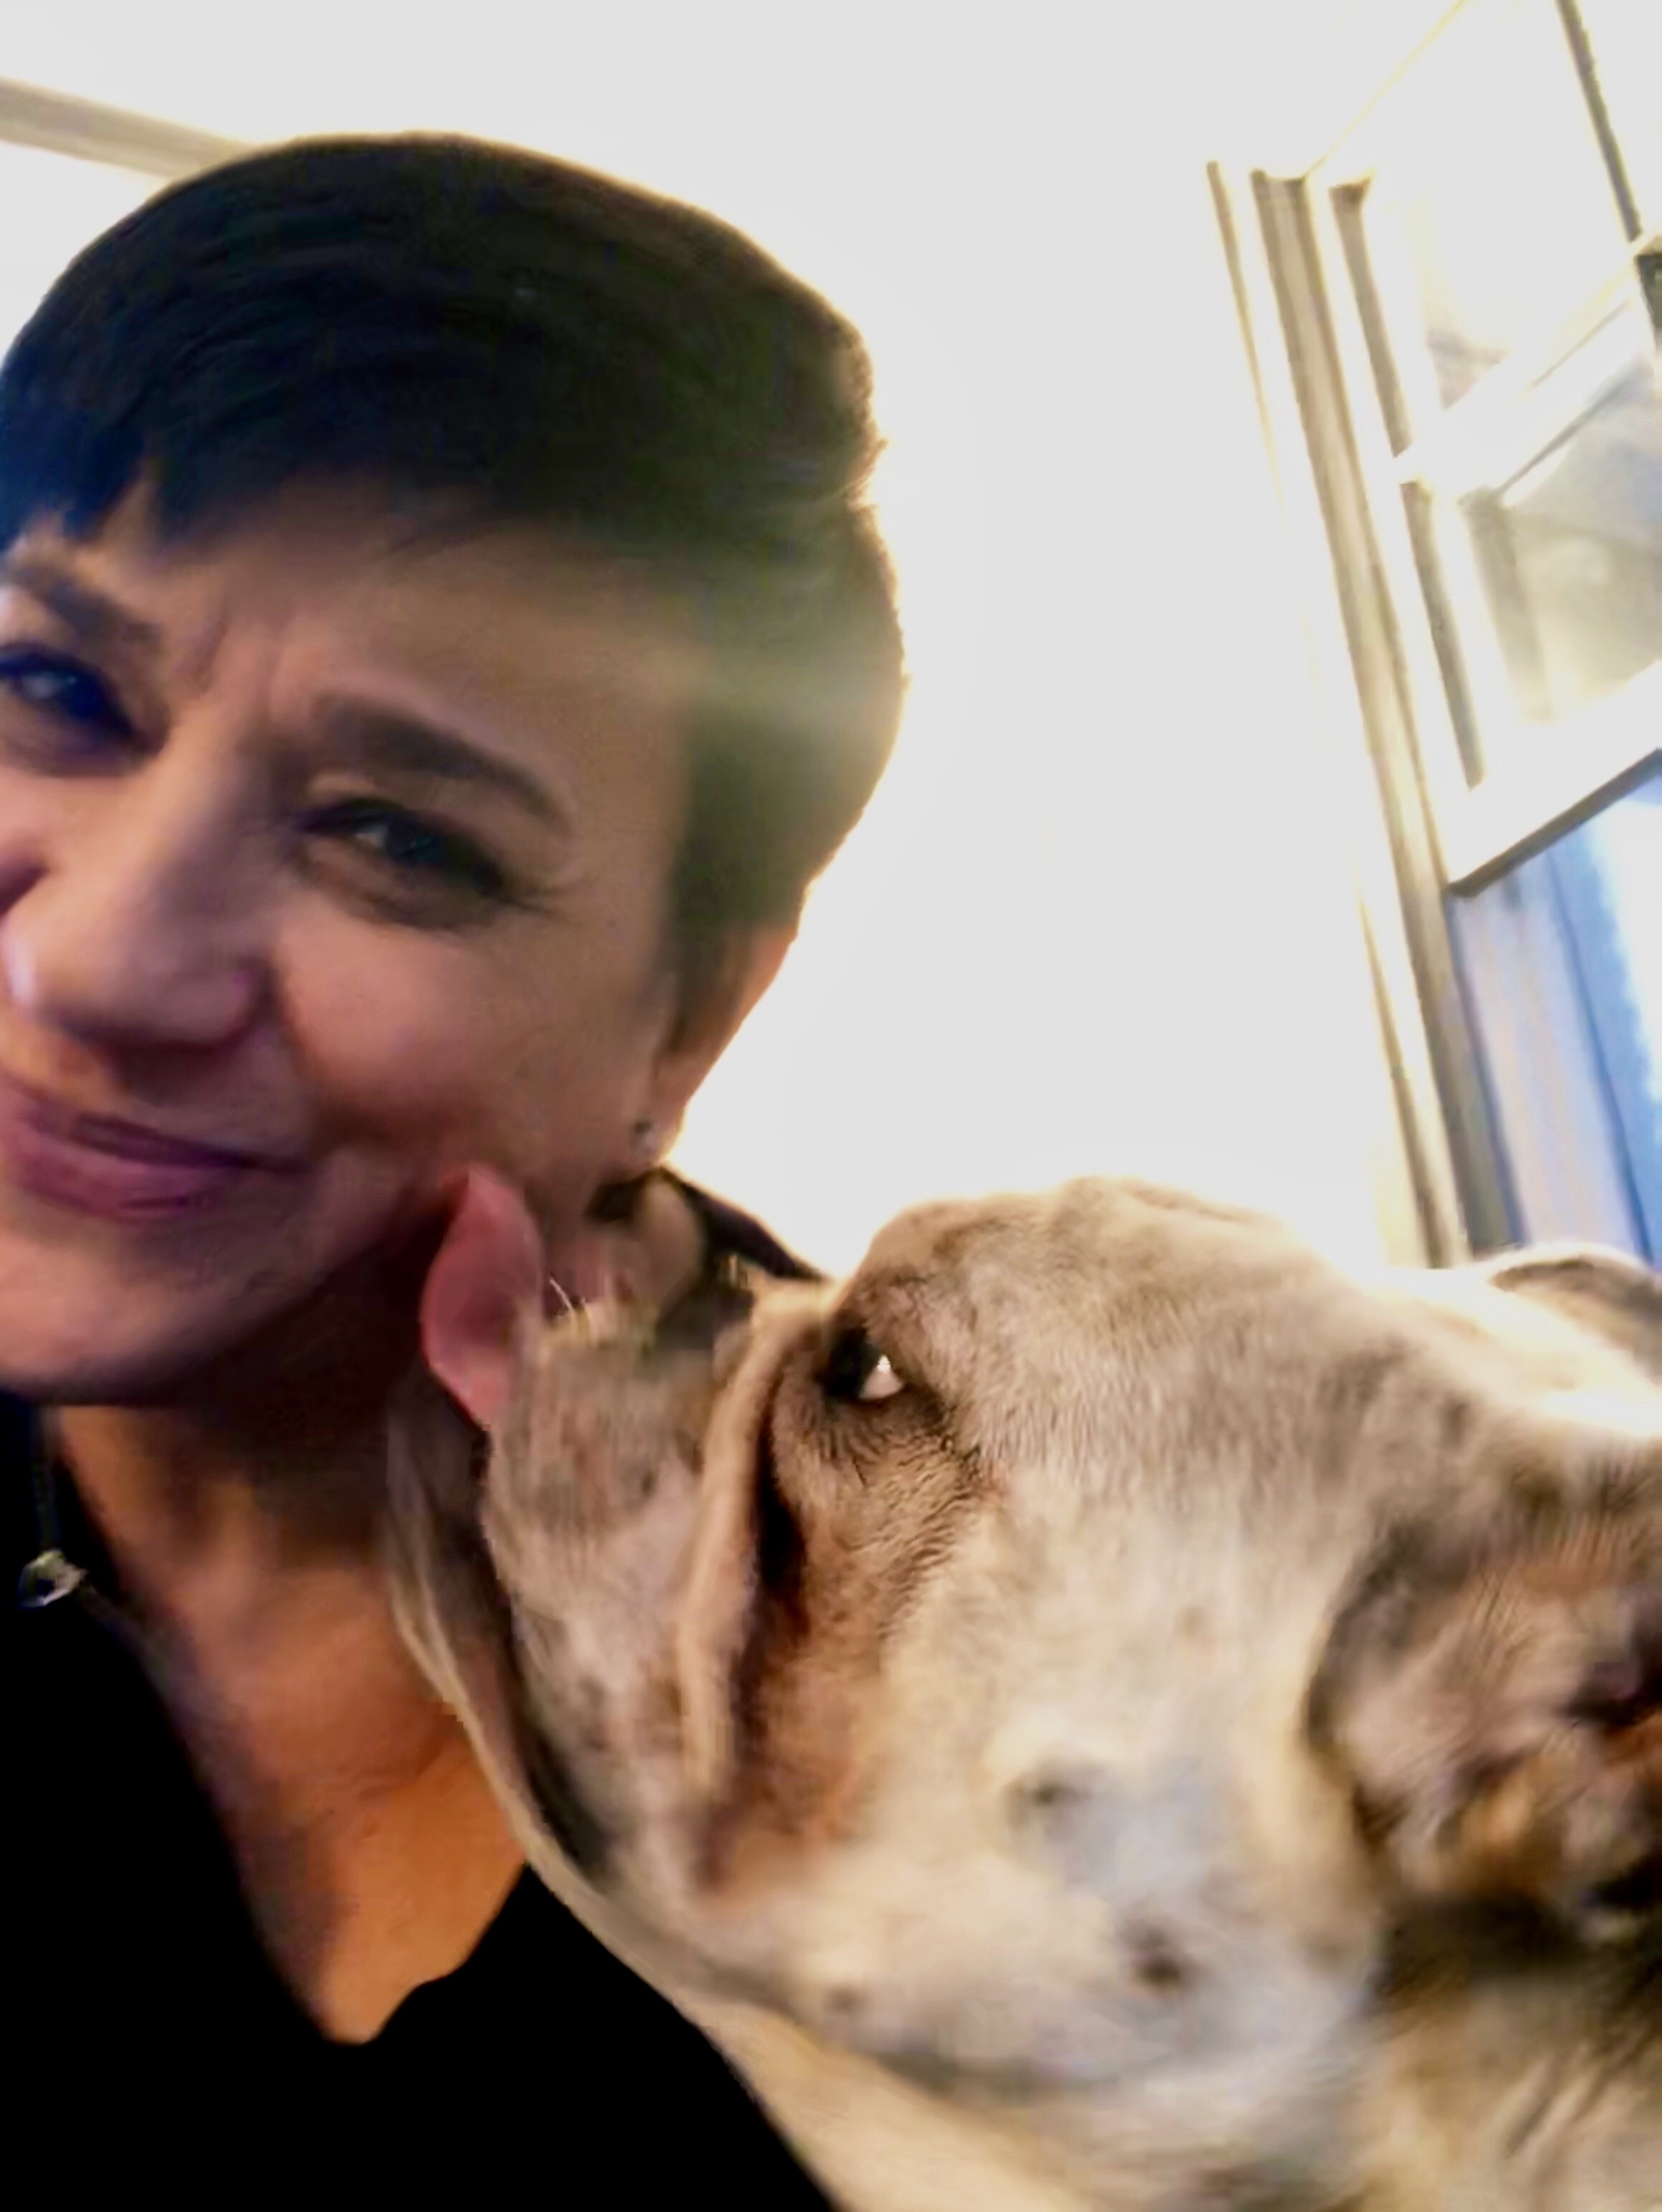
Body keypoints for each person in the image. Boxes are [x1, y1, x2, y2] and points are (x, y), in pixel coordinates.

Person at [0, 134, 901, 2192]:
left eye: (399, 836)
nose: (93, 960)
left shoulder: (991, 1672)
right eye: (51, 688)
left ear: (686, 1021)